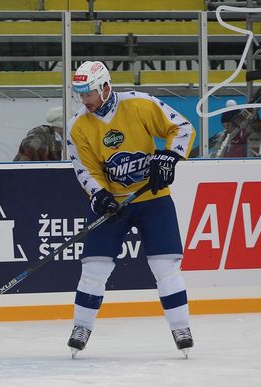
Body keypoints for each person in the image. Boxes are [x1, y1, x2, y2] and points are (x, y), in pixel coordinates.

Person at [65, 61, 196, 358]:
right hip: (114, 204)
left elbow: (182, 127)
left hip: (153, 198)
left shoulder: (140, 104)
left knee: (165, 267)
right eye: (80, 94)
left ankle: (181, 327)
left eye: (88, 93)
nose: (84, 100)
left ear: (105, 87)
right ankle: (81, 327)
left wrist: (170, 158)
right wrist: (99, 196)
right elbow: (85, 169)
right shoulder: (78, 125)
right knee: (94, 268)